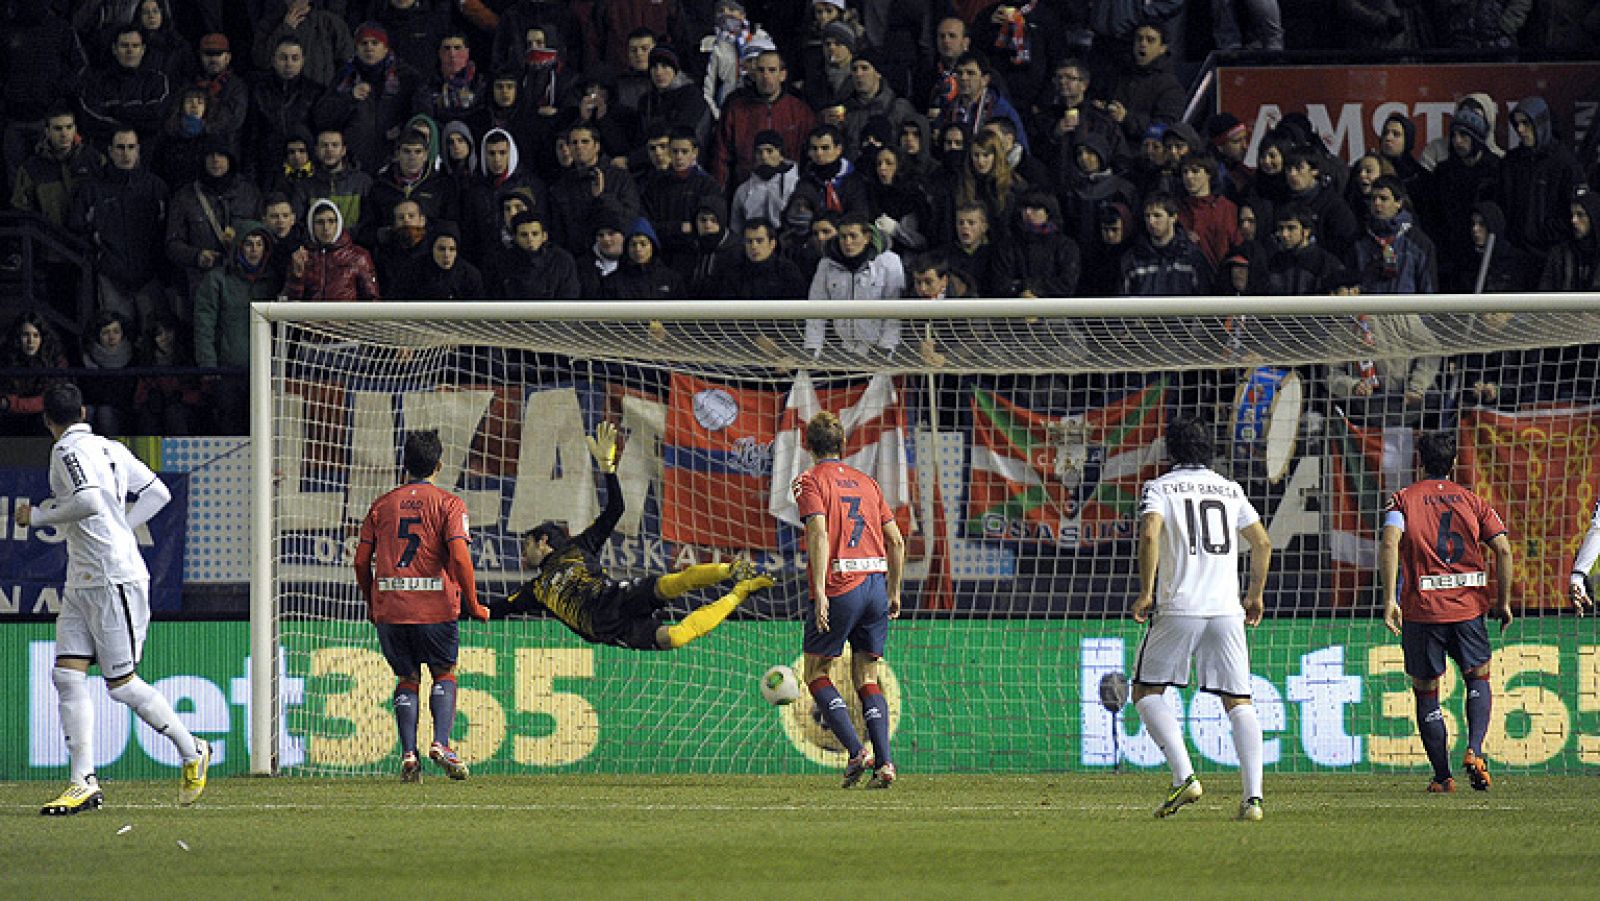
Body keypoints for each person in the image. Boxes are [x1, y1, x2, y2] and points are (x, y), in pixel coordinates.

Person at [20, 382, 210, 815]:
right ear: (84, 411)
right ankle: (83, 782)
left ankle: (192, 748)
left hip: (111, 578)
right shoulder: (111, 449)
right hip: (83, 579)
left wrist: (39, 516)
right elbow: (158, 493)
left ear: (48, 420)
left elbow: (87, 500)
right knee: (67, 676)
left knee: (121, 685)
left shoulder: (65, 452)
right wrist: (122, 524)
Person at [498, 422, 774, 650]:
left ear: (543, 541)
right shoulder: (534, 591)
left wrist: (608, 469)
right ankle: (741, 593)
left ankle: (731, 570)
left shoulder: (577, 548)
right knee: (675, 637)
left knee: (675, 582)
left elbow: (615, 509)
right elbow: (494, 608)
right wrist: (458, 606)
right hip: (614, 630)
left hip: (616, 597)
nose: (524, 553)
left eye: (527, 545)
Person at [1129, 414, 1272, 821]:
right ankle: (1254, 799)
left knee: (1145, 691)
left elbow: (1150, 533)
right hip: (1227, 609)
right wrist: (1255, 595)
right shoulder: (1229, 489)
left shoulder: (1159, 487)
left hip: (1180, 605)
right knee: (1238, 700)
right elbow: (1262, 542)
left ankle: (1184, 776)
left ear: (1171, 449)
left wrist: (1146, 591)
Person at [1379, 430, 1515, 793]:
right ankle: (1475, 749)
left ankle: (1442, 777)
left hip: (1423, 610)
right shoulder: (1474, 501)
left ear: (1420, 461)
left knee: (1426, 691)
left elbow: (1391, 541)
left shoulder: (1402, 501)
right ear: (1453, 463)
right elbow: (1503, 550)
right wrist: (1502, 601)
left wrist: (1389, 599)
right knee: (1478, 676)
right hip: (1469, 608)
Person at [353, 429, 487, 781]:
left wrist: (372, 602)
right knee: (443, 673)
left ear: (404, 465)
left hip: (391, 609)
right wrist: (473, 603)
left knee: (406, 677)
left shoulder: (381, 505)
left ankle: (409, 754)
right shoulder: (449, 504)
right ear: (439, 465)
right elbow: (459, 556)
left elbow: (360, 561)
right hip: (435, 609)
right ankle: (441, 743)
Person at [793, 410, 906, 788]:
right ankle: (885, 764)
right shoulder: (868, 482)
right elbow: (897, 541)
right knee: (867, 675)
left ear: (808, 447)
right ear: (844, 445)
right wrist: (893, 590)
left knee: (816, 672)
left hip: (842, 583)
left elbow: (819, 534)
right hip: (875, 583)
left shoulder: (809, 481)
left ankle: (858, 751)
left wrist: (822, 592)